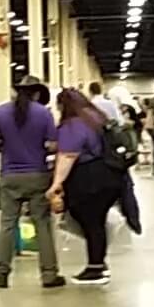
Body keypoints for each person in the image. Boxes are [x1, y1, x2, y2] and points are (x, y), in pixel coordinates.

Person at [0, 76, 64, 290]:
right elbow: (53, 145)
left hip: (10, 176)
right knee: (42, 225)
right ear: (37, 93)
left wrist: (4, 148)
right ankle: (49, 275)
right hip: (38, 175)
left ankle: (0, 274)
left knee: (8, 225)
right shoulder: (44, 113)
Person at [48, 87, 125, 286]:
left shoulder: (72, 125)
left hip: (88, 178)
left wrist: (56, 184)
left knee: (90, 222)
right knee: (96, 222)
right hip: (109, 174)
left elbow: (68, 155)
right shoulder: (96, 118)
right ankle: (98, 264)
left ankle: (96, 268)